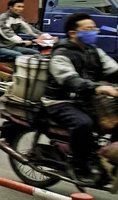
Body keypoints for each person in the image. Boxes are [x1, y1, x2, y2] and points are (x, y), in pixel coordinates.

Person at [43, 12, 118, 185]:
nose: (93, 32)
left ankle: (110, 159)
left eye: (94, 28)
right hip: (60, 101)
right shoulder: (61, 54)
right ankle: (79, 166)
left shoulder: (94, 51)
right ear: (73, 33)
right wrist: (98, 87)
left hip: (88, 99)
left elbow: (113, 70)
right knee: (83, 123)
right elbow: (71, 80)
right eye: (88, 29)